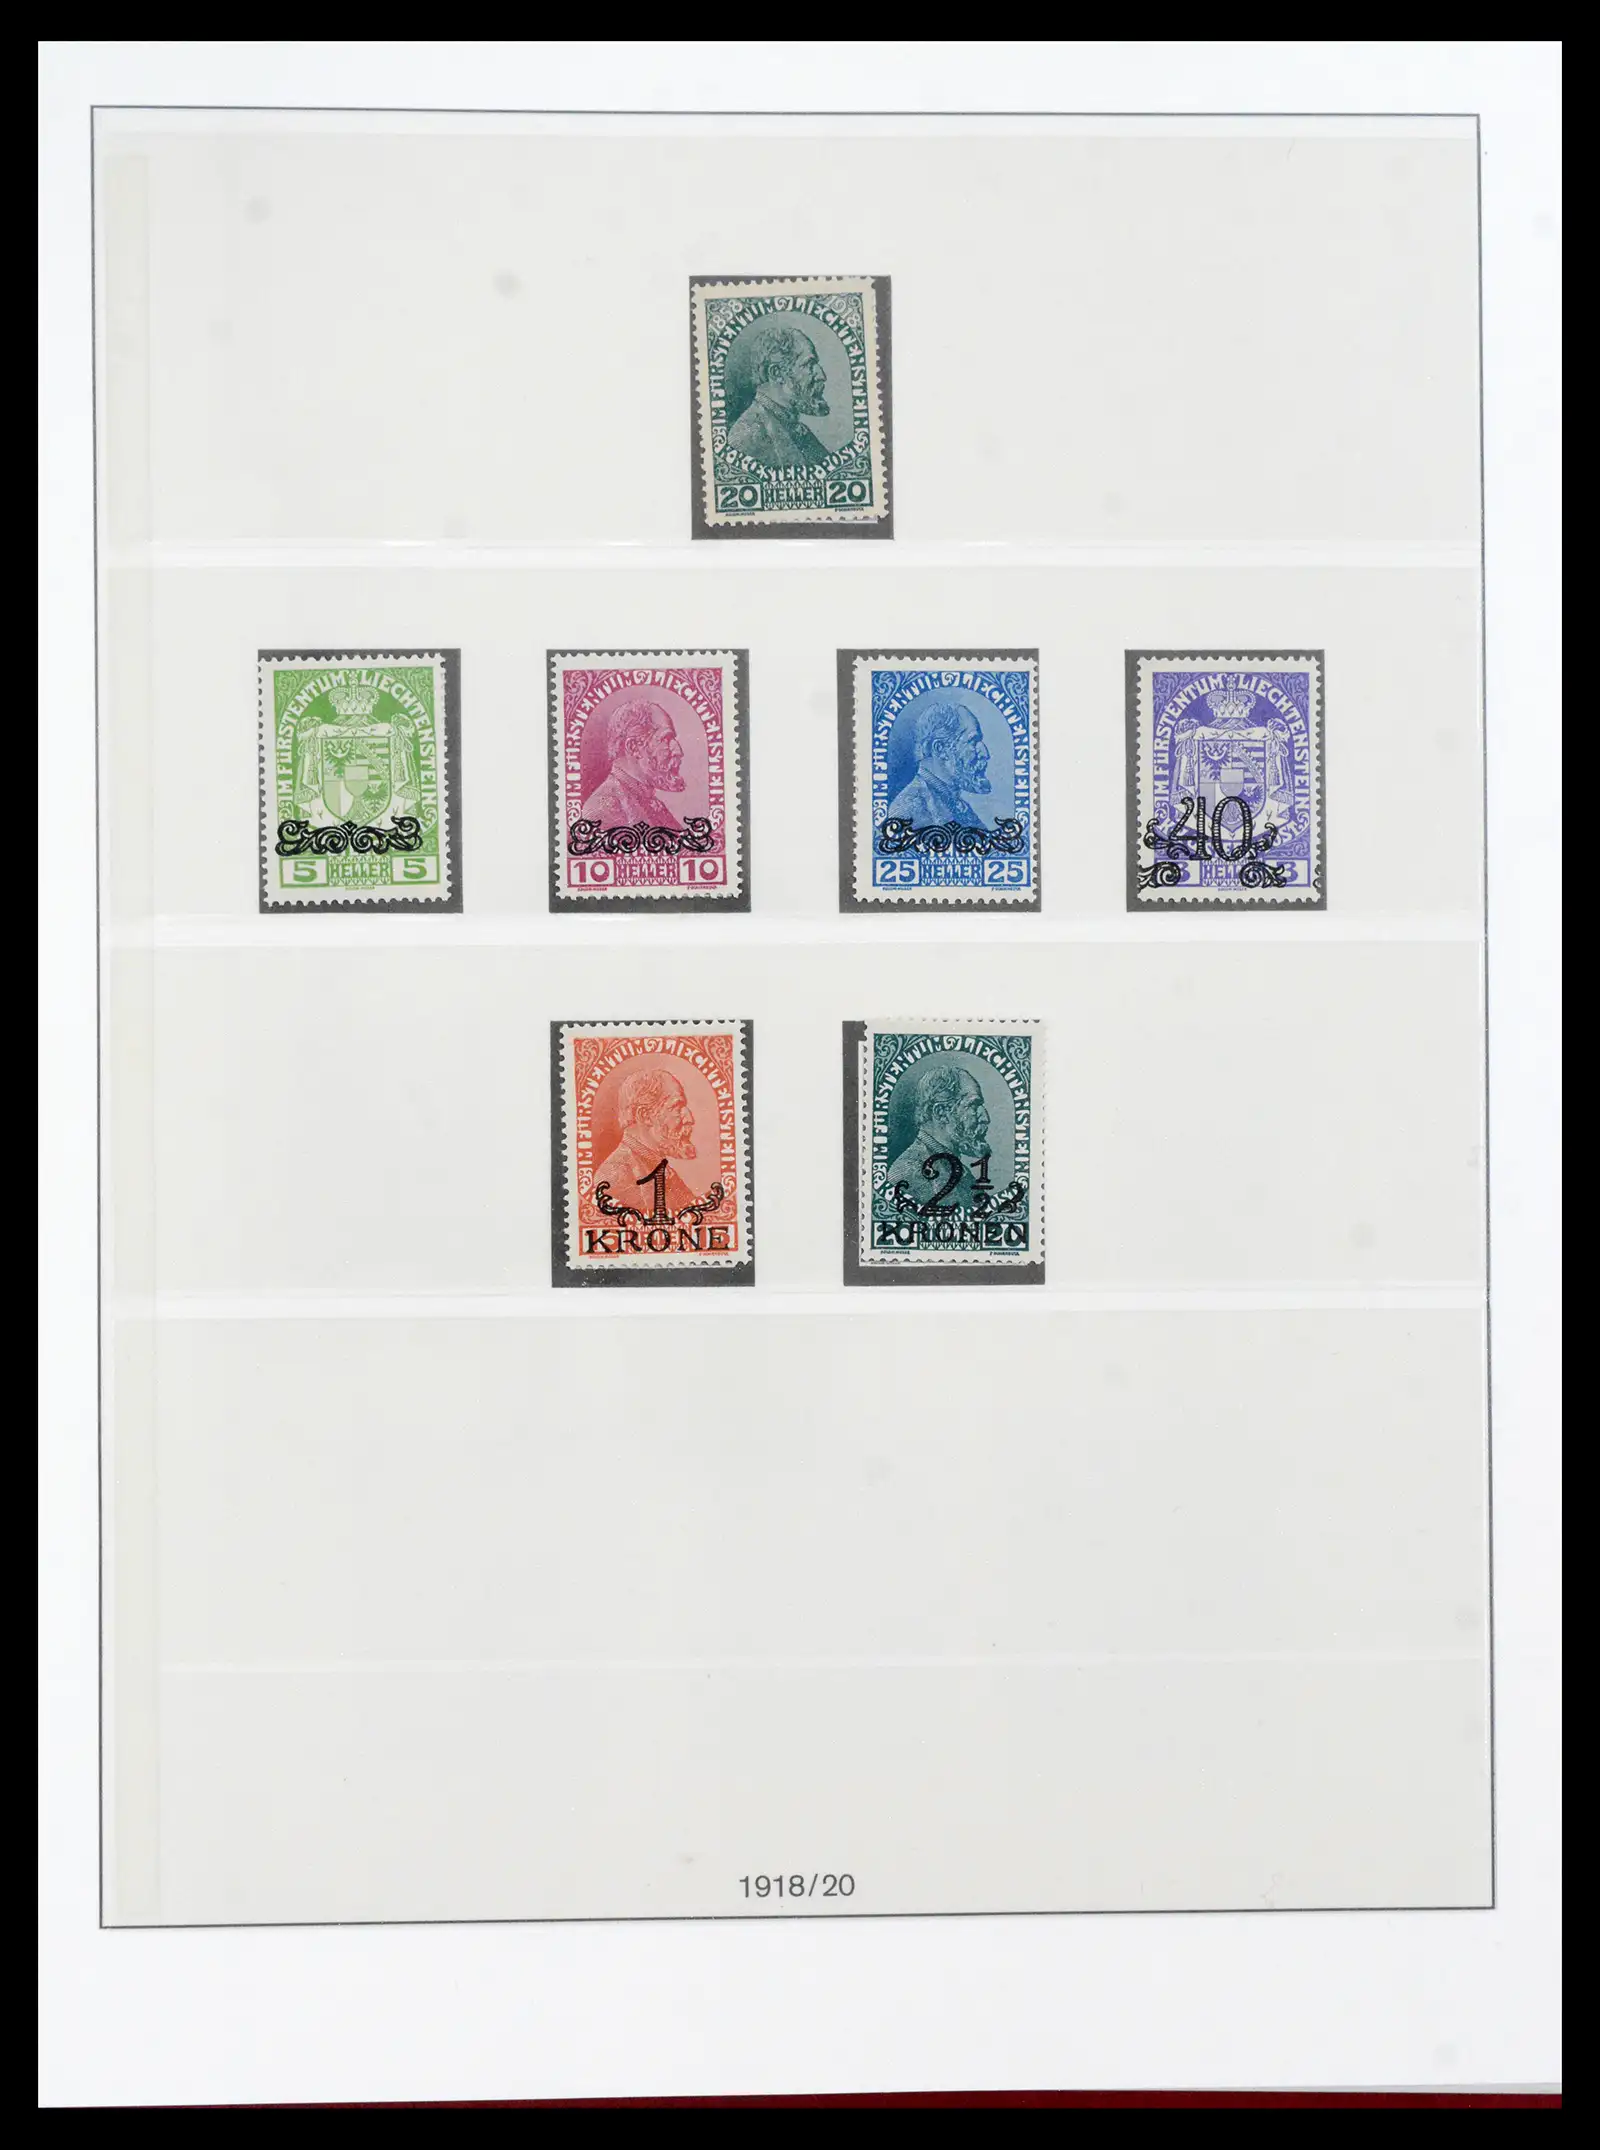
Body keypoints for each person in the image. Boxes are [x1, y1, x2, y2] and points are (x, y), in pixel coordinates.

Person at [883, 1062, 993, 1210]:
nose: (985, 1118)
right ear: (941, 1112)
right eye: (973, 1105)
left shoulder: (957, 1170)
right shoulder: (906, 1172)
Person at [593, 1066, 700, 1216]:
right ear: (645, 1116)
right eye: (677, 1107)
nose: (689, 1119)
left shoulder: (658, 1167)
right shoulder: (615, 1176)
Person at [725, 319, 831, 469]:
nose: (821, 375)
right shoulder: (745, 438)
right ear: (776, 373)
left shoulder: (798, 430)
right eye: (809, 364)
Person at [580, 697, 686, 830]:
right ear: (633, 747)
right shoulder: (601, 810)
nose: (678, 751)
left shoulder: (650, 801)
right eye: (666, 739)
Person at [886, 698, 993, 829]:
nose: (985, 753)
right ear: (940, 749)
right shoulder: (907, 811)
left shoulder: (957, 805)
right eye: (973, 742)